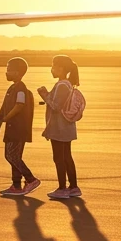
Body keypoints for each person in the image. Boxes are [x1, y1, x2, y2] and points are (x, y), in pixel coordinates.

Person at [0, 57, 39, 197]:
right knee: (13, 156)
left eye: (9, 70)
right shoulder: (12, 88)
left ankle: (31, 179)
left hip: (18, 129)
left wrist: (6, 118)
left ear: (18, 72)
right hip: (11, 128)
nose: (6, 72)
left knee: (11, 155)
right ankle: (16, 185)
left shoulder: (21, 89)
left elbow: (19, 105)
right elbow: (5, 106)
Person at [39, 54, 81, 200]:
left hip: (59, 128)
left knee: (59, 158)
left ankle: (62, 188)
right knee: (67, 156)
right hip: (66, 127)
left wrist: (44, 94)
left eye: (53, 66)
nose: (51, 69)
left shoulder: (62, 85)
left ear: (61, 68)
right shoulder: (67, 84)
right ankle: (73, 187)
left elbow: (56, 106)